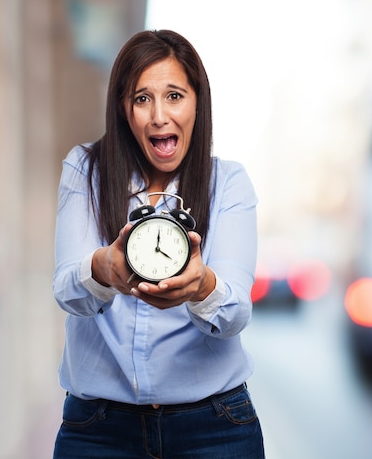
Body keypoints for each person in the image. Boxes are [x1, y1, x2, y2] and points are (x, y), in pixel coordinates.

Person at [52, 29, 265, 458]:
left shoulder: (228, 184)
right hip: (99, 429)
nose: (159, 117)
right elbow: (66, 291)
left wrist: (202, 286)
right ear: (123, 109)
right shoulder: (85, 170)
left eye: (174, 96)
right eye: (142, 98)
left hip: (215, 427)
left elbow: (236, 312)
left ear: (197, 102)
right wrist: (104, 269)